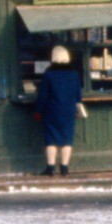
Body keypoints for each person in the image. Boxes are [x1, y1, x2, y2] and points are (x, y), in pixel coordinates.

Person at [34, 45, 83, 177]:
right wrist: (78, 109)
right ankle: (64, 168)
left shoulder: (48, 74)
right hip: (69, 110)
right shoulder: (74, 74)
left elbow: (43, 95)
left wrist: (38, 110)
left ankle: (50, 168)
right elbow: (78, 95)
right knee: (67, 139)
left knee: (51, 139)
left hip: (52, 110)